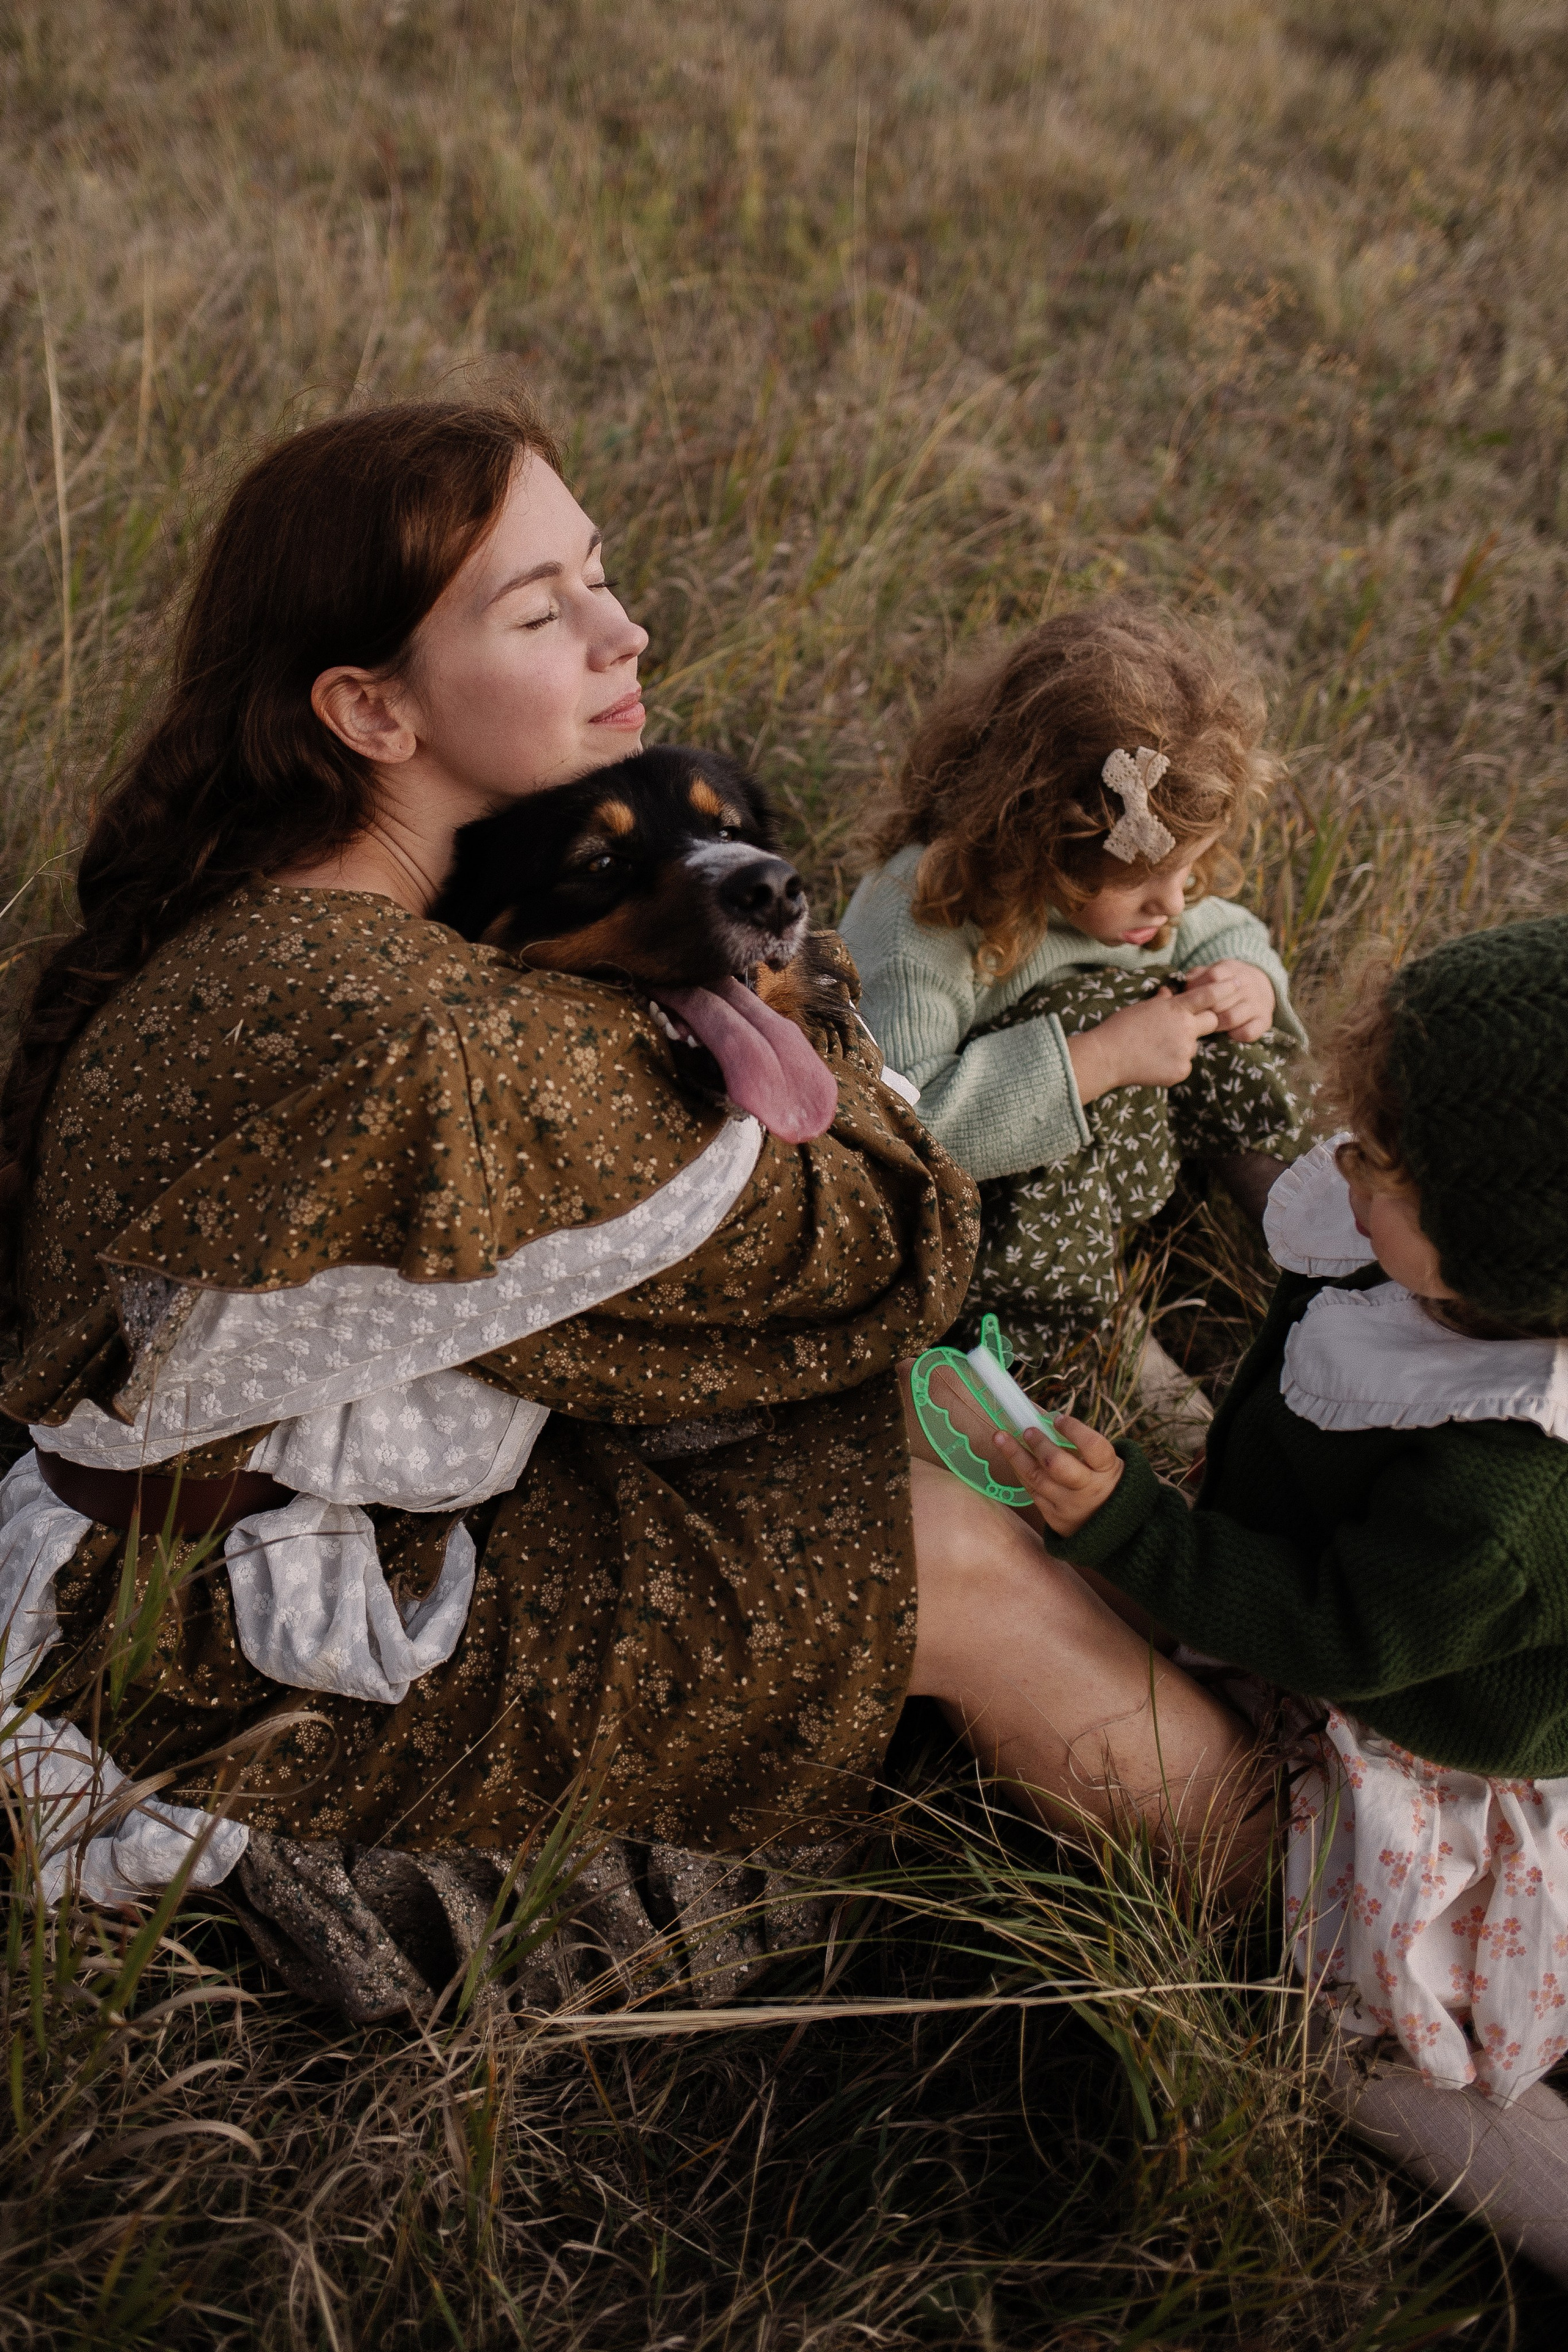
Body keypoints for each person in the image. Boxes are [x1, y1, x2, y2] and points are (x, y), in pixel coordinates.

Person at [0, 396, 1259, 2015]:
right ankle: (1322, 1920)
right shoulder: (466, 1054)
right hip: (206, 1652)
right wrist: (827, 1032)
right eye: (543, 609)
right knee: (945, 1554)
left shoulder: (275, 910)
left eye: (601, 574)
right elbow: (900, 1243)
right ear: (369, 708)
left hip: (184, 1549)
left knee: (878, 1455)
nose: (626, 627)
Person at [979, 918, 1568, 2269]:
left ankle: (1408, 2085)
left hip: (1400, 1725)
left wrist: (1133, 1530)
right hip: (1349, 1610)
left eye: (1386, 1162)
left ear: (1509, 1251)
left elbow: (1335, 1628)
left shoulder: (1503, 1492)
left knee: (1363, 2004)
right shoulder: (1461, 1292)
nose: (1347, 1164)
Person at [840, 607, 1308, 1393]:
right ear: (1037, 844)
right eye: (1146, 883)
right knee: (1092, 1014)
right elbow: (901, 1130)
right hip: (988, 1224)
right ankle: (1090, 1352)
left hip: (1115, 1172)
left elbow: (1223, 930)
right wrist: (1101, 1057)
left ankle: (1301, 1238)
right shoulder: (919, 918)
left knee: (1212, 1009)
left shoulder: (1132, 904)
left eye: (1186, 876)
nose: (1172, 906)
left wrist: (1247, 980)